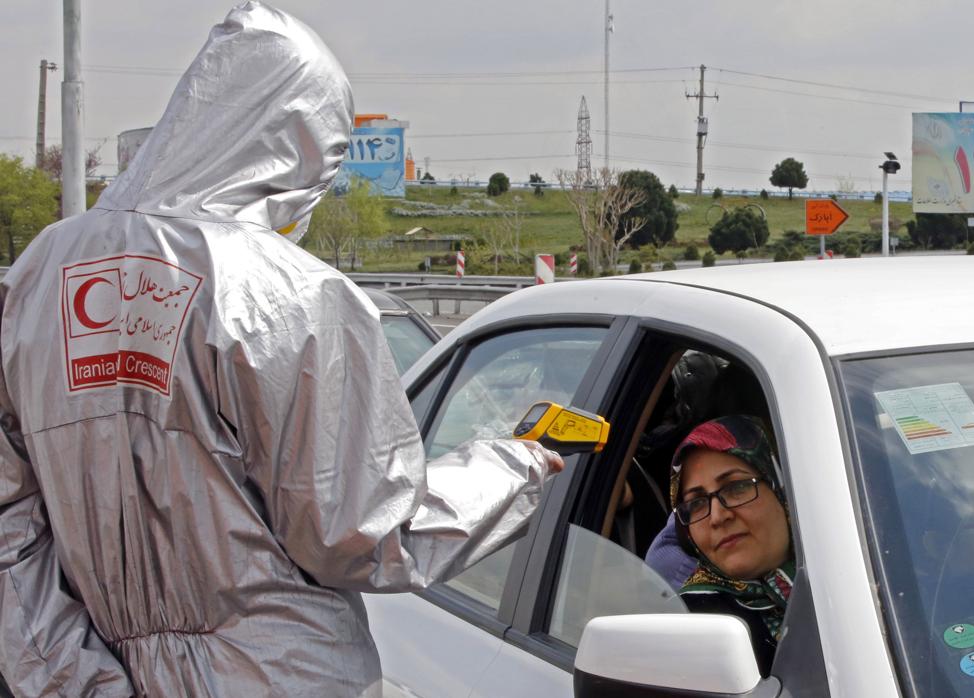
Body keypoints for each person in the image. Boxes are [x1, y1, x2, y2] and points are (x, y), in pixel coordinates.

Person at [0, 3, 560, 696]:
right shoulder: (295, 294)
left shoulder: (35, 275)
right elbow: (369, 533)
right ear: (298, 145)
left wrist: (79, 681)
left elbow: (9, 532)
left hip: (92, 668)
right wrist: (517, 465)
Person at [669, 415, 795, 674]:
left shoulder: (862, 574)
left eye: (736, 487)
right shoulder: (689, 625)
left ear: (782, 489)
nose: (717, 516)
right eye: (697, 503)